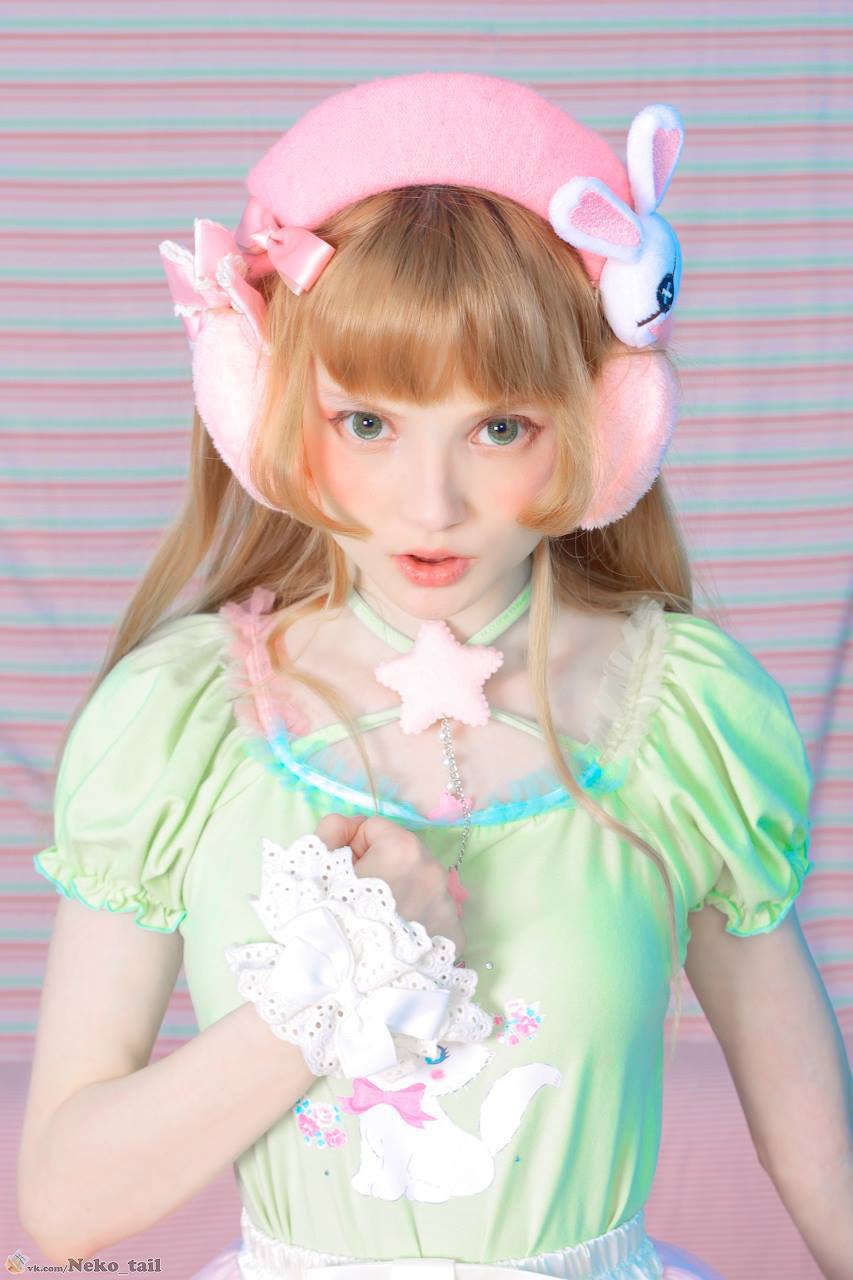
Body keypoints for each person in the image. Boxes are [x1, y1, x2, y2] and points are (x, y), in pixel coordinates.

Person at [17, 72, 839, 1280]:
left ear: (604, 424)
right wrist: (343, 987)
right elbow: (66, 1204)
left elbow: (820, 1161)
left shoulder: (684, 721)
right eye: (367, 423)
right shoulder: (181, 723)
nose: (433, 503)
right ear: (265, 407)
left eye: (499, 427)